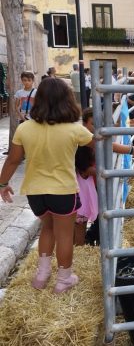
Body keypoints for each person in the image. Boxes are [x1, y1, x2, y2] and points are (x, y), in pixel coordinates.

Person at [0, 77, 94, 293]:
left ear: (38, 100)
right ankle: (64, 279)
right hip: (63, 191)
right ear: (67, 100)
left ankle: (41, 276)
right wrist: (129, 150)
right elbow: (101, 142)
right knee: (64, 235)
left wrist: (3, 183)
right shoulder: (74, 129)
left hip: (35, 192)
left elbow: (13, 159)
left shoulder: (25, 128)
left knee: (47, 228)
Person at [80, 108, 134, 245]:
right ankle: (86, 240)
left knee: (101, 211)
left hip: (96, 182)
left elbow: (116, 127)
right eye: (93, 124)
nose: (96, 128)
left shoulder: (97, 134)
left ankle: (94, 238)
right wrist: (132, 150)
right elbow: (85, 169)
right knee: (87, 216)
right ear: (84, 123)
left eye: (100, 125)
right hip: (86, 184)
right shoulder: (83, 138)